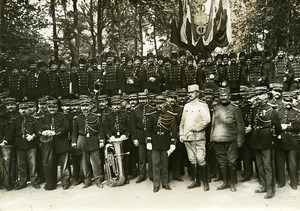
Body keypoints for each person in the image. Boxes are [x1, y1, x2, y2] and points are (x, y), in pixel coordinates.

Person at [210, 87, 245, 192]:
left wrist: (240, 140)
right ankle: (225, 182)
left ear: (229, 96)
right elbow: (213, 125)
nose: (223, 97)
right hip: (218, 139)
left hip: (231, 139)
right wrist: (212, 138)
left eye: (225, 95)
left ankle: (232, 183)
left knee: (232, 162)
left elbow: (240, 126)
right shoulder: (216, 109)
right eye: (221, 96)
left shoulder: (235, 109)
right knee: (222, 162)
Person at [250, 86, 281, 199]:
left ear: (266, 95)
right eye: (257, 94)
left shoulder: (271, 110)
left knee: (267, 166)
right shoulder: (255, 109)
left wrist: (273, 137)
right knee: (259, 165)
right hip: (256, 139)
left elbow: (278, 127)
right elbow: (253, 124)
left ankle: (270, 189)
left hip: (267, 139)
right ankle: (263, 185)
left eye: (261, 94)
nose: (258, 96)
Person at [179, 84, 211, 191]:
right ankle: (196, 181)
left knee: (201, 158)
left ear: (198, 93)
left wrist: (195, 128)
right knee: (192, 159)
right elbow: (182, 122)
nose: (190, 94)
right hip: (187, 137)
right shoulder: (186, 106)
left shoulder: (203, 105)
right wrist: (181, 134)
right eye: (189, 93)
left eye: (192, 92)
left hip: (198, 136)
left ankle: (205, 182)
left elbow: (206, 120)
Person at [4, 102, 40, 190]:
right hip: (19, 145)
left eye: (25, 109)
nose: (24, 111)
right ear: (19, 110)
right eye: (22, 109)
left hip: (31, 145)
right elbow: (11, 133)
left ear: (29, 110)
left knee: (33, 164)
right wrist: (5, 140)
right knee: (21, 165)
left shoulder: (34, 119)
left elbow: (38, 131)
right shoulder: (16, 121)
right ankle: (22, 182)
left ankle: (34, 182)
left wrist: (33, 136)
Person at [146, 95, 177, 192]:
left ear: (165, 103)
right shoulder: (152, 115)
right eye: (158, 103)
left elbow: (174, 130)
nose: (160, 106)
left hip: (166, 141)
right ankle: (156, 184)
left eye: (162, 103)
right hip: (155, 141)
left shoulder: (170, 115)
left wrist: (173, 143)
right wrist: (149, 141)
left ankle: (165, 183)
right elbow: (148, 129)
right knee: (155, 164)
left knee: (165, 164)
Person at [38, 99, 71, 190]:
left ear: (57, 107)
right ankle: (51, 183)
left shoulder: (63, 116)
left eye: (54, 107)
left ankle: (65, 182)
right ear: (47, 108)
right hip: (49, 145)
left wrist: (56, 132)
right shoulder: (43, 117)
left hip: (61, 143)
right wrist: (43, 132)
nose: (52, 109)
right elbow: (39, 128)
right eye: (50, 107)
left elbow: (67, 126)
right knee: (50, 164)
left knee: (64, 164)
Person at [72, 99, 105, 188]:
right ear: (80, 107)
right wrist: (74, 142)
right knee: (84, 162)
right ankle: (87, 180)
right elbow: (74, 132)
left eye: (86, 106)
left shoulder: (96, 117)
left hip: (93, 140)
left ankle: (98, 179)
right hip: (81, 140)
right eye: (83, 106)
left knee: (96, 162)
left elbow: (100, 130)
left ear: (90, 106)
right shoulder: (77, 118)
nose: (85, 108)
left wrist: (101, 140)